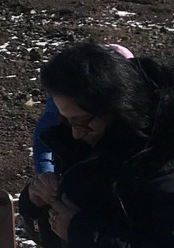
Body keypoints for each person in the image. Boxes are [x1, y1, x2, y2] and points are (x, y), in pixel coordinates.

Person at [19, 41, 174, 248]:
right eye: (64, 119)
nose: (74, 132)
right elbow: (68, 243)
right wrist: (37, 203)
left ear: (113, 106)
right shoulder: (90, 149)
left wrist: (81, 229)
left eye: (82, 121)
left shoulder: (159, 166)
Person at [31, 44, 134, 174]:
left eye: (82, 121)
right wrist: (45, 174)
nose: (76, 134)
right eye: (66, 120)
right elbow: (43, 137)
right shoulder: (66, 98)